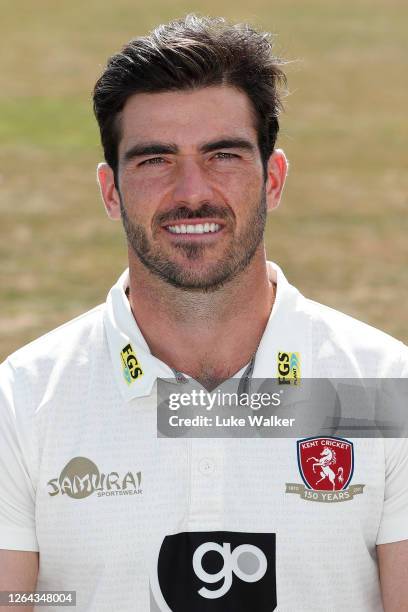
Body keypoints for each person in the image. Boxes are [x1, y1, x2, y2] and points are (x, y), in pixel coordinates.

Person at [0, 14, 407, 612]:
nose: (192, 191)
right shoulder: (22, 399)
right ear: (111, 192)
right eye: (154, 160)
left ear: (273, 178)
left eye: (223, 155)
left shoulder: (385, 387)